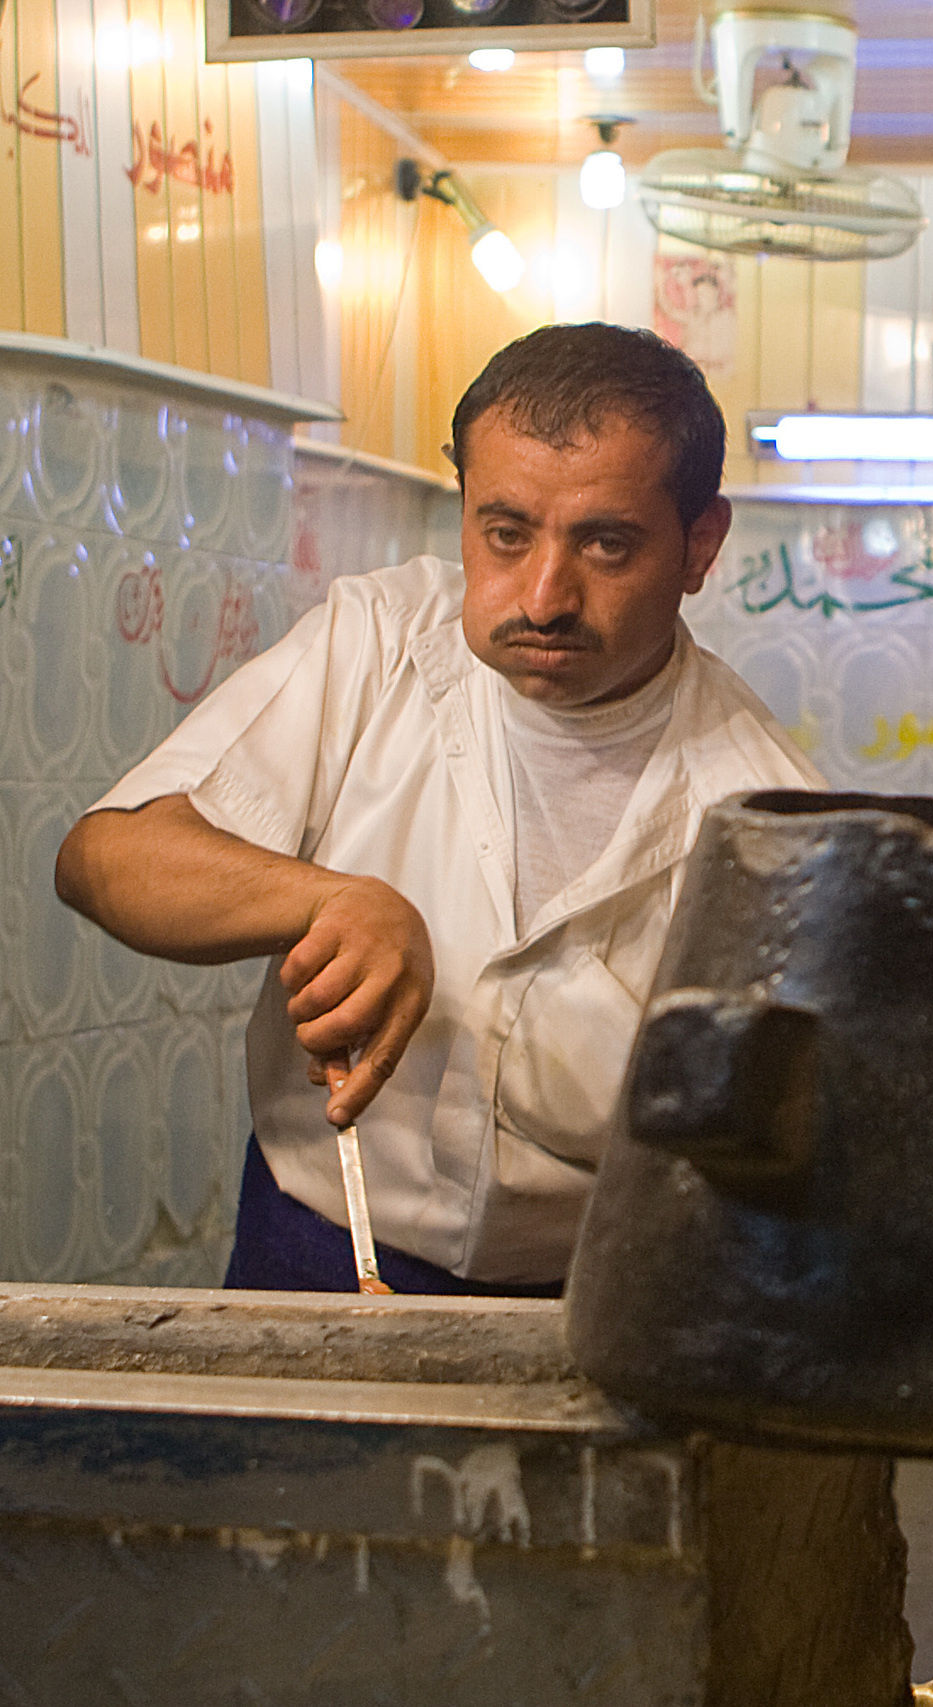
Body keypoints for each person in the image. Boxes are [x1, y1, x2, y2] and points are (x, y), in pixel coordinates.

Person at [53, 323, 824, 1295]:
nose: (544, 595)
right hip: (320, 1249)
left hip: (603, 1292)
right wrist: (328, 901)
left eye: (607, 544)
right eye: (505, 534)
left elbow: (795, 1151)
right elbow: (103, 860)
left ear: (698, 546)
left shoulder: (766, 805)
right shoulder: (377, 643)